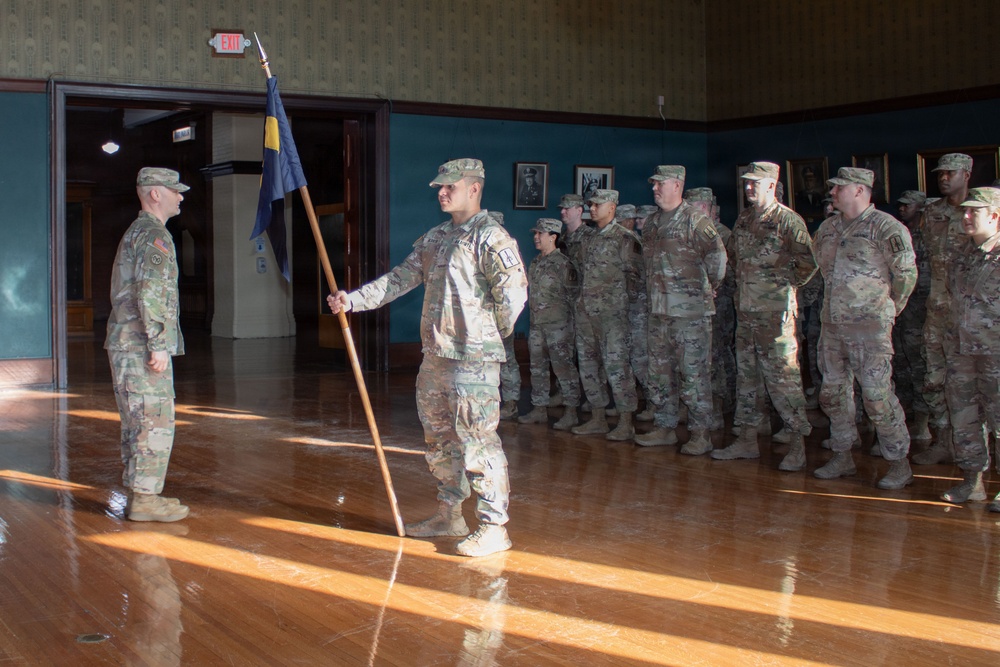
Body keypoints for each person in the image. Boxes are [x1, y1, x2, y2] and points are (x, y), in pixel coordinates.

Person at [326, 158, 527, 557]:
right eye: (440, 186)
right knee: (440, 442)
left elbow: (514, 294)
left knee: (478, 442)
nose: (442, 192)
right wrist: (353, 300)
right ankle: (449, 514)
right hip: (436, 358)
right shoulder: (436, 238)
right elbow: (399, 279)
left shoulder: (491, 237)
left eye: (451, 186)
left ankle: (493, 526)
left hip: (472, 361)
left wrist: (486, 335)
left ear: (475, 188)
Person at [811, 168, 917, 488]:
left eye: (838, 188)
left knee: (876, 396)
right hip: (832, 326)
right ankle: (842, 455)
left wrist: (887, 311)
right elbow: (819, 270)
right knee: (833, 394)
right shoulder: (828, 228)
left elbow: (906, 276)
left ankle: (898, 462)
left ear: (859, 190)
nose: (831, 192)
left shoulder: (886, 228)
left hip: (869, 329)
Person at [712, 162, 817, 471]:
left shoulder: (788, 221)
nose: (748, 188)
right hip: (746, 313)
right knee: (748, 379)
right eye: (747, 183)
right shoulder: (744, 220)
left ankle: (797, 443)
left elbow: (808, 263)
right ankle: (746, 439)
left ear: (771, 185)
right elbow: (732, 258)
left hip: (775, 316)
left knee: (784, 380)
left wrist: (781, 287)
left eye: (755, 183)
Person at [106, 167, 190, 523]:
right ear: (155, 193)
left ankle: (142, 495)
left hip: (128, 343)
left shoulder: (139, 232)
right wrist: (157, 342)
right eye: (174, 190)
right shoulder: (154, 236)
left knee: (138, 420)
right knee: (153, 421)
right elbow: (151, 292)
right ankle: (144, 500)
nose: (180, 196)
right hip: (140, 345)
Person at [635, 170, 726, 453]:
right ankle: (665, 427)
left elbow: (718, 258)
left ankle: (700, 434)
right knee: (660, 374)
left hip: (690, 315)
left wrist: (707, 288)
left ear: (678, 185)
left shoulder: (695, 221)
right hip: (659, 311)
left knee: (694, 374)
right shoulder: (651, 224)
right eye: (654, 184)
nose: (656, 189)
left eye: (661, 184)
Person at [912, 154, 972, 465]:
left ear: (967, 173)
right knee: (934, 378)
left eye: (950, 172)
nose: (944, 178)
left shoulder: (982, 212)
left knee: (976, 384)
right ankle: (943, 440)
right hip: (936, 310)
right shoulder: (931, 213)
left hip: (974, 316)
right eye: (940, 173)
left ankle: (977, 452)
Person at [571, 189, 645, 441]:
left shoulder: (625, 239)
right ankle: (598, 417)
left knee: (617, 368)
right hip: (586, 314)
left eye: (597, 204)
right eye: (590, 204)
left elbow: (637, 276)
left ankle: (626, 421)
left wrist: (622, 302)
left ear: (612, 207)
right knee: (589, 367)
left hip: (613, 316)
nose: (591, 208)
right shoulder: (588, 238)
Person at [943, 187, 1000, 508]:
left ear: (994, 216)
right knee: (964, 416)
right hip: (962, 351)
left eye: (973, 212)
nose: (964, 216)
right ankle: (972, 482)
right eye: (964, 211)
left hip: (995, 353)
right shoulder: (962, 255)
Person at [517, 218, 582, 430]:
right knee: (538, 369)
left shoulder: (564, 264)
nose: (536, 237)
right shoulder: (536, 262)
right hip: (537, 326)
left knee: (564, 370)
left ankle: (571, 412)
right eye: (535, 233)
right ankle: (539, 409)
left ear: (553, 237)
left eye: (540, 234)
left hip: (559, 327)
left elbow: (574, 296)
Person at [685, 187, 737, 430]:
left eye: (692, 204)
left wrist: (711, 287)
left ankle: (718, 406)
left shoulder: (723, 234)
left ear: (704, 207)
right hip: (697, 303)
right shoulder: (690, 230)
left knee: (715, 355)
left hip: (720, 302)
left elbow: (729, 269)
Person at [891, 190, 932, 442]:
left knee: (920, 364)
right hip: (901, 309)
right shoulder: (900, 234)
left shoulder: (930, 236)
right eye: (901, 205)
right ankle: (904, 410)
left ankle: (923, 420)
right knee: (901, 362)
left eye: (908, 205)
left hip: (922, 309)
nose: (903, 209)